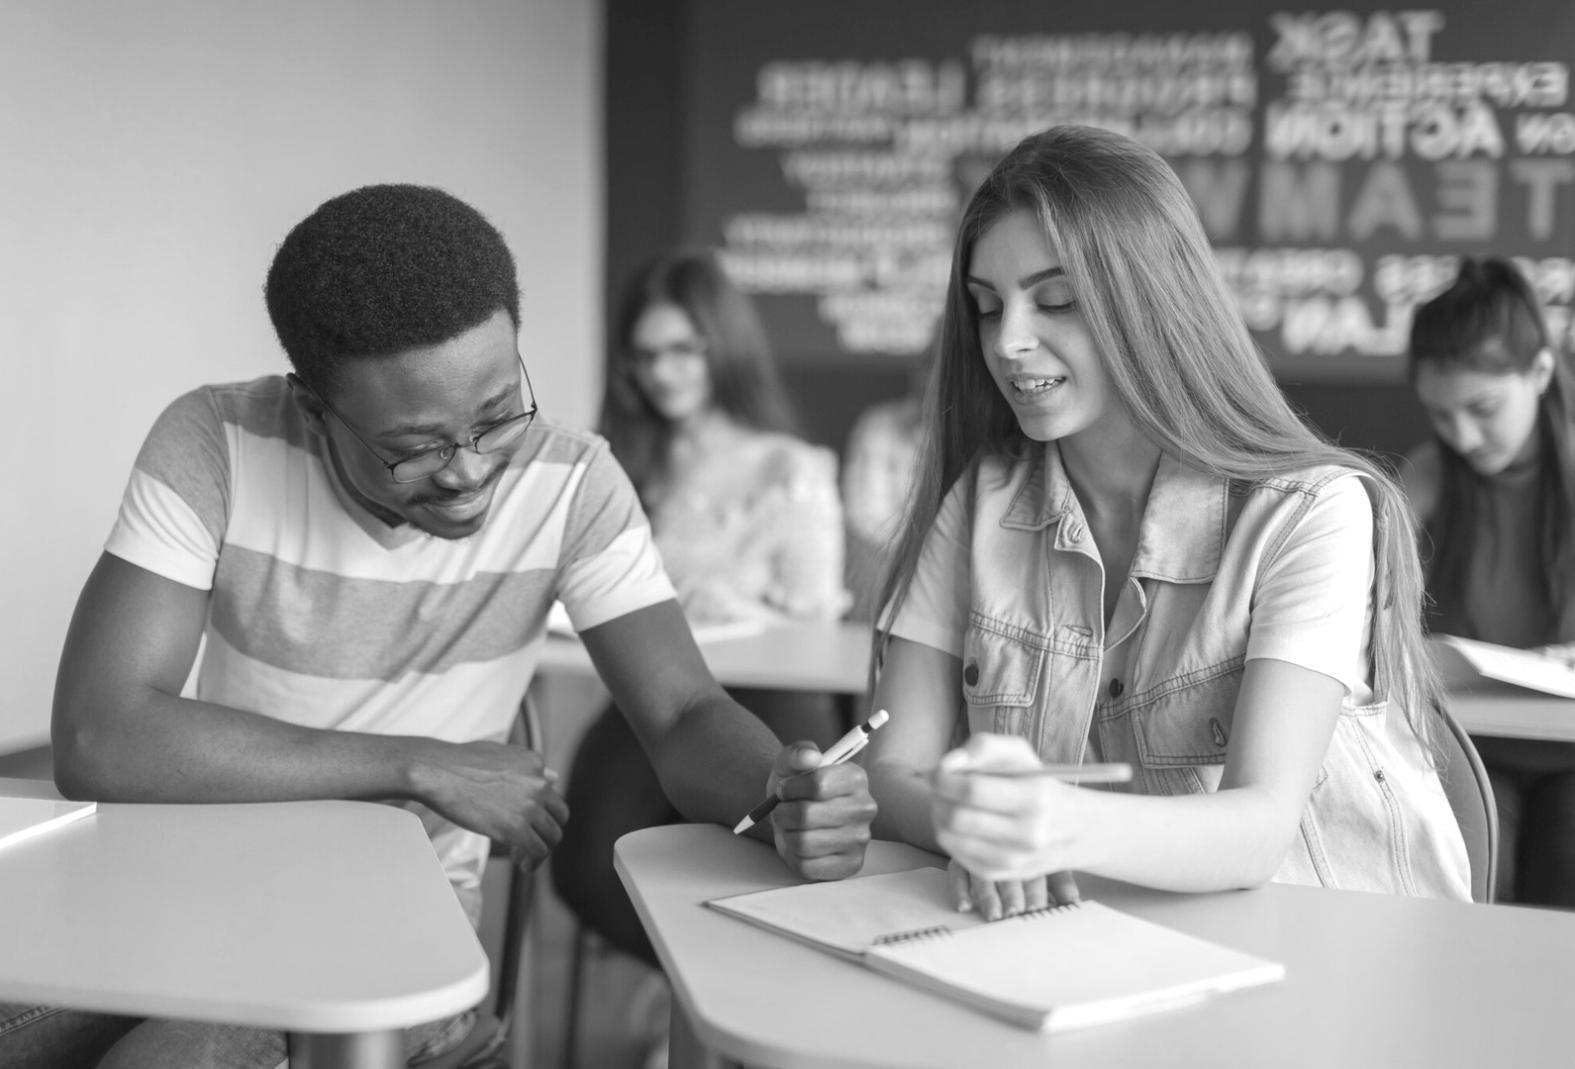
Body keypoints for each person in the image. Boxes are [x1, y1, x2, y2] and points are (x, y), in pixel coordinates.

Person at [0, 186, 874, 1069]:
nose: (470, 472)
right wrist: (416, 763)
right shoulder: (217, 441)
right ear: (312, 406)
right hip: (197, 881)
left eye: (496, 416)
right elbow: (99, 733)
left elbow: (683, 712)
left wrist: (778, 787)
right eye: (414, 444)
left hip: (394, 923)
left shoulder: (573, 483)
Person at [859, 124, 1471, 922]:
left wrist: (1058, 826)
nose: (1007, 342)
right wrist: (965, 820)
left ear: (1148, 301)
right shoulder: (982, 497)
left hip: (1329, 945)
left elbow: (1259, 827)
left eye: (1056, 300)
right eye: (985, 307)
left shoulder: (1309, 509)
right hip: (1111, 946)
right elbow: (892, 763)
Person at [552, 249, 848, 969]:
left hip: (775, 698)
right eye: (646, 353)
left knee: (778, 873)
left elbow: (819, 618)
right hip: (655, 698)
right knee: (586, 865)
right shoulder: (622, 465)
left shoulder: (790, 466)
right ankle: (698, 994)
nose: (662, 371)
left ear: (724, 348)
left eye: (683, 348)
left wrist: (742, 604)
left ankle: (729, 1014)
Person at [1402, 256, 1575, 907]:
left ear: (1538, 371)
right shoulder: (1425, 480)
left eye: (1482, 408)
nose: (1462, 436)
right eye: (1440, 415)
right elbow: (1370, 614)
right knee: (1469, 872)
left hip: (1566, 750)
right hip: (1471, 744)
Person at [841, 343, 931, 622]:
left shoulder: (995, 442)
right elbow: (865, 518)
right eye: (930, 366)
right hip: (887, 574)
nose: (935, 377)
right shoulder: (879, 425)